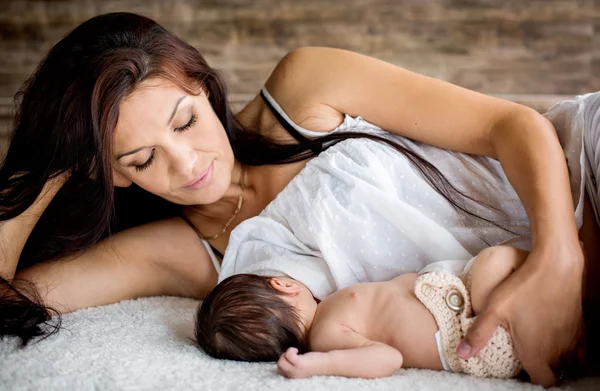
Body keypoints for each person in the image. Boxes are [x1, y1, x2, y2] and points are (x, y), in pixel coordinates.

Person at [0, 11, 594, 386]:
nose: (188, 165)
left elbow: (512, 126)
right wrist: (51, 166)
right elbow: (10, 292)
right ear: (115, 176)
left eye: (184, 122)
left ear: (205, 87)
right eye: (141, 158)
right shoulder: (184, 252)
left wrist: (559, 259)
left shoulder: (304, 91)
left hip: (584, 174)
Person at [195, 246, 539, 379]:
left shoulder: (329, 312)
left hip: (462, 304)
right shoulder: (325, 336)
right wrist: (322, 364)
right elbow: (387, 358)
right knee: (496, 261)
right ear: (283, 286)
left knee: (499, 269)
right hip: (471, 334)